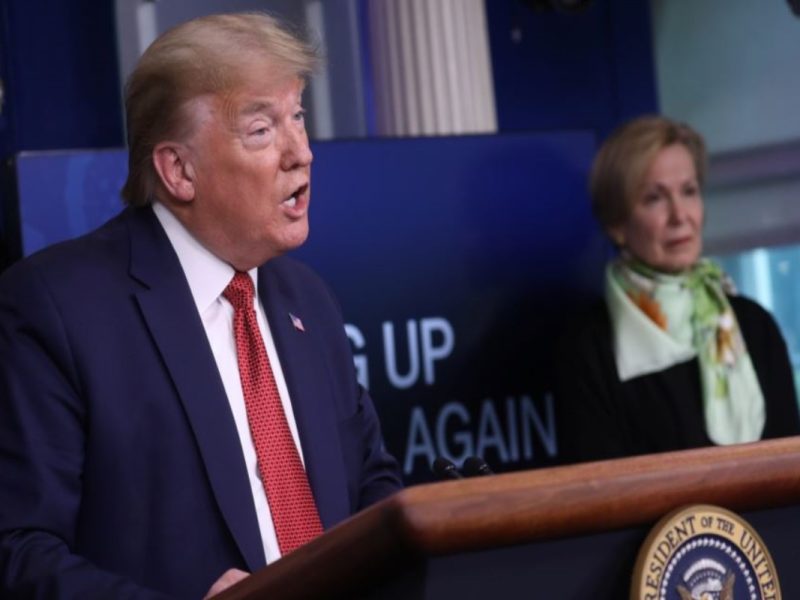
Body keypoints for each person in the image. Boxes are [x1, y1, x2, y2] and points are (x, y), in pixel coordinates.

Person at [0, 12, 402, 599]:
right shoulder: (54, 308)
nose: (301, 153)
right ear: (178, 170)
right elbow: (19, 550)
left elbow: (371, 480)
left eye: (298, 117)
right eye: (262, 129)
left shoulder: (307, 298)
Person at [555, 115, 800, 462]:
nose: (679, 215)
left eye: (689, 191)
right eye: (655, 198)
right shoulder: (590, 349)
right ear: (617, 223)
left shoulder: (754, 326)